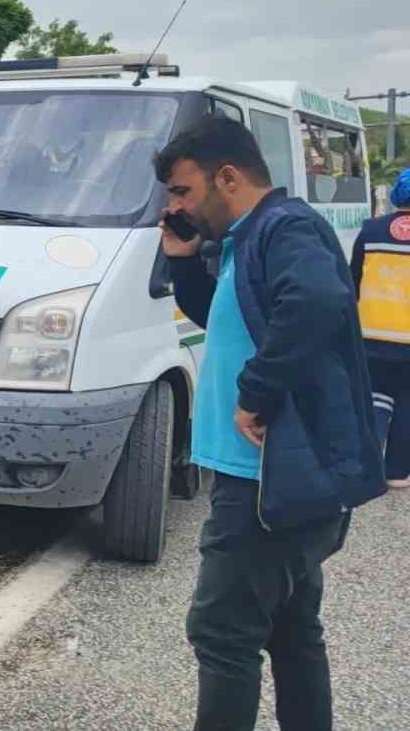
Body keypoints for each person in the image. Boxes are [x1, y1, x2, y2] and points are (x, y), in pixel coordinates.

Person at [156, 113, 384, 731]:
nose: (176, 207)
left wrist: (255, 392)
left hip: (265, 478)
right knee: (290, 627)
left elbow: (317, 300)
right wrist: (183, 262)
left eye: (183, 191)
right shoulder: (250, 238)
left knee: (221, 631)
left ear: (227, 177)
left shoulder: (284, 227)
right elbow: (230, 316)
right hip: (267, 475)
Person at [352, 167, 410, 490]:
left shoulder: (370, 230)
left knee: (376, 397)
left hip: (371, 335)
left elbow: (352, 280)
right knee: (407, 402)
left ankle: (366, 469)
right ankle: (397, 473)